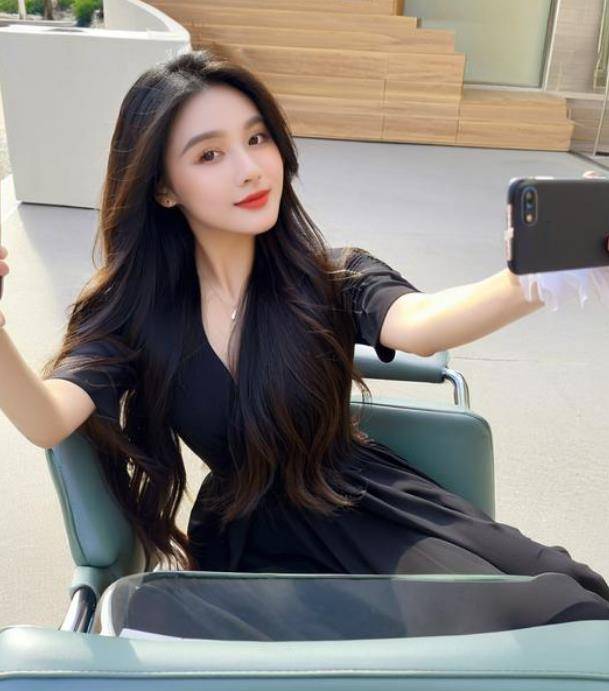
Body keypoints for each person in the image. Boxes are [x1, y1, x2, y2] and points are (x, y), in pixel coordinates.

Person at [1, 49, 609, 639]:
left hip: (371, 498)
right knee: (526, 620)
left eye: (257, 138)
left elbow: (423, 324)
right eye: (210, 154)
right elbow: (47, 418)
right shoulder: (133, 313)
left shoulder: (332, 276)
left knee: (577, 593)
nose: (249, 168)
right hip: (256, 541)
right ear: (163, 187)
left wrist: (529, 280)